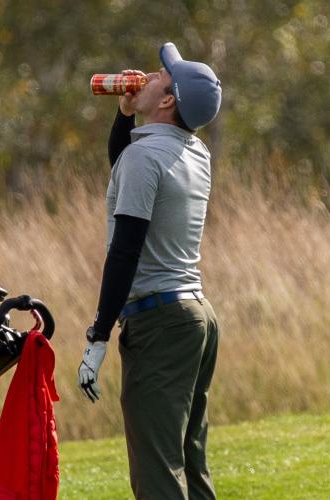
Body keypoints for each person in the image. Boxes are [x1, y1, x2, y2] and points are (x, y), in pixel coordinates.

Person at [77, 42, 222, 499]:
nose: (151, 75)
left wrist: (98, 337)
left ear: (168, 99)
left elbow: (125, 252)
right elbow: (126, 169)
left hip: (160, 324)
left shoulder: (145, 158)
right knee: (190, 466)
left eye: (162, 76)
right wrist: (124, 115)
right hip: (195, 317)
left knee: (157, 473)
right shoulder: (195, 151)